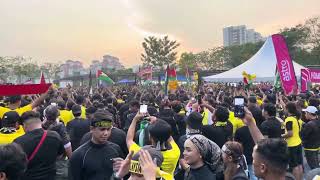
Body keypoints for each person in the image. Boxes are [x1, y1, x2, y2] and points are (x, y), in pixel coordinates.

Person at [242, 107, 295, 180]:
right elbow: (263, 146)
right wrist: (250, 122)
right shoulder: (288, 177)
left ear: (262, 168)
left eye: (254, 159)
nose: (253, 162)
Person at [68, 110, 124, 180]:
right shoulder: (79, 155)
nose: (106, 133)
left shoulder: (116, 149)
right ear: (92, 129)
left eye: (108, 129)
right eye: (102, 129)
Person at [14, 111, 65, 180]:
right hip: (50, 176)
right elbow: (60, 155)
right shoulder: (55, 136)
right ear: (40, 122)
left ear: (24, 125)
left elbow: (16, 166)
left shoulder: (19, 141)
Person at [126, 112, 180, 177]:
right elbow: (167, 133)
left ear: (150, 137)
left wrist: (134, 120)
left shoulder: (142, 154)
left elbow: (129, 140)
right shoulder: (175, 151)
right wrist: (157, 121)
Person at [282, 102, 303, 180]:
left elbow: (290, 133)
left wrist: (281, 136)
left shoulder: (289, 119)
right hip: (298, 142)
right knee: (299, 164)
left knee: (294, 166)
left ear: (287, 109)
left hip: (291, 145)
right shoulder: (296, 118)